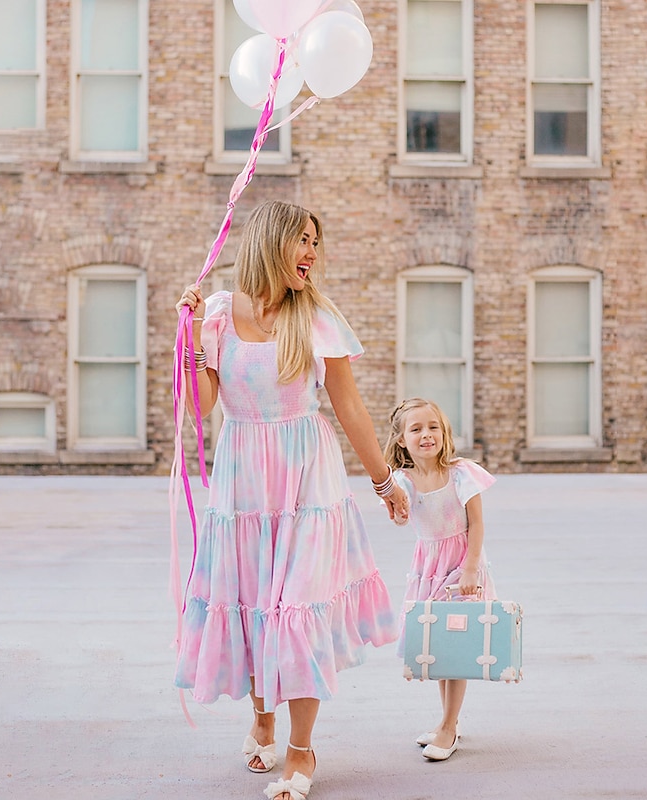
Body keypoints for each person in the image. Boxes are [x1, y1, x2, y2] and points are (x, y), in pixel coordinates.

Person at [173, 200, 409, 800]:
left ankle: (301, 752)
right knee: (254, 604)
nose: (311, 252)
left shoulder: (317, 318)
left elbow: (349, 407)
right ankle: (262, 716)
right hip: (243, 481)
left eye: (314, 242)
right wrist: (190, 337)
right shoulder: (220, 315)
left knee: (296, 605)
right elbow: (199, 409)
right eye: (301, 240)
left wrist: (384, 483)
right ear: (270, 242)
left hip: (308, 480)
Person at [383, 397, 496, 763]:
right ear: (402, 440)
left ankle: (449, 726)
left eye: (432, 427)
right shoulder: (402, 480)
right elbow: (401, 517)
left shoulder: (461, 473)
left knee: (456, 648)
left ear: (443, 432)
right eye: (415, 429)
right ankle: (447, 721)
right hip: (428, 567)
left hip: (462, 565)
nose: (426, 434)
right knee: (440, 649)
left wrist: (470, 569)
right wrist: (397, 508)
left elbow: (476, 524)